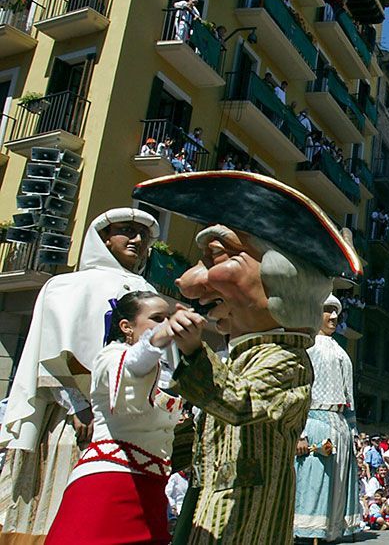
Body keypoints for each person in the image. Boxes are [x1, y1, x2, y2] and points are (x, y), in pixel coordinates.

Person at [131, 171, 362, 543]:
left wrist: (192, 351)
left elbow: (242, 402)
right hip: (211, 502)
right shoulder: (240, 357)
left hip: (248, 512)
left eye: (216, 256)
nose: (188, 281)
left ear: (280, 276)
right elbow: (207, 428)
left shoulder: (286, 358)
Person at [0, 208, 160, 543]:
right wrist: (78, 404)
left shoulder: (147, 292)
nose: (137, 239)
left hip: (131, 425)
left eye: (143, 234)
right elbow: (49, 351)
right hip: (73, 419)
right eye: (126, 230)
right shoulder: (65, 285)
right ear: (104, 237)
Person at [44, 291, 193, 544]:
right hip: (110, 485)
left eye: (168, 318)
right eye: (157, 318)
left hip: (152, 490)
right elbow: (134, 364)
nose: (166, 324)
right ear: (126, 326)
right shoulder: (112, 357)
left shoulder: (164, 371)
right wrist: (160, 337)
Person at [294, 295, 363, 541]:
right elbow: (298, 391)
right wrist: (299, 433)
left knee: (336, 495)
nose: (334, 317)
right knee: (313, 491)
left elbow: (349, 396)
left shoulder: (341, 350)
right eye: (327, 311)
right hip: (315, 423)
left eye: (336, 312)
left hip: (340, 426)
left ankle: (329, 537)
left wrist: (352, 433)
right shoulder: (307, 346)